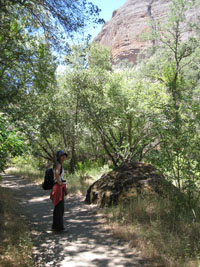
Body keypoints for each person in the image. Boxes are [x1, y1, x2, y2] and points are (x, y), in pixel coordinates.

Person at [50, 150, 68, 232]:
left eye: (64, 155)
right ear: (59, 157)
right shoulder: (58, 165)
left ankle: (55, 226)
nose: (64, 157)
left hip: (57, 187)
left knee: (58, 207)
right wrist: (59, 182)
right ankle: (59, 228)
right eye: (62, 155)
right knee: (60, 207)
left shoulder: (58, 164)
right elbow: (57, 173)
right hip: (58, 188)